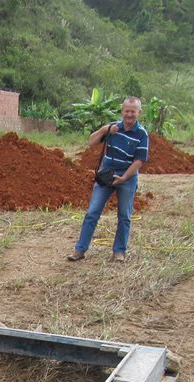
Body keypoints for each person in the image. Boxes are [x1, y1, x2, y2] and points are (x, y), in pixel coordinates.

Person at [68, 97, 149, 263]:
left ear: (139, 113)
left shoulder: (142, 134)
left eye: (133, 111)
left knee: (124, 216)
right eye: (127, 111)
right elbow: (91, 142)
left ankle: (119, 251)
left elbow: (139, 161)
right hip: (107, 174)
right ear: (122, 111)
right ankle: (80, 250)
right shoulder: (113, 128)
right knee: (92, 212)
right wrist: (105, 129)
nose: (129, 114)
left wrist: (124, 177)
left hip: (127, 178)